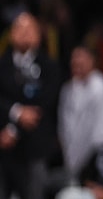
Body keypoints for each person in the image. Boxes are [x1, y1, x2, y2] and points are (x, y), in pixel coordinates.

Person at [0, 11, 62, 199]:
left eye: (30, 28)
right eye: (20, 28)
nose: (25, 33)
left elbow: (45, 103)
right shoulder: (1, 66)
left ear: (38, 35)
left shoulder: (50, 66)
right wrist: (15, 113)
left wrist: (14, 129)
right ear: (11, 34)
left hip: (34, 146)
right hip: (2, 145)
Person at [58, 46, 103, 186]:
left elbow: (94, 127)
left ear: (92, 61)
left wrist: (83, 160)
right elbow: (64, 124)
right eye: (74, 58)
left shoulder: (100, 86)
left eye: (81, 58)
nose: (76, 61)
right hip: (72, 154)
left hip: (98, 153)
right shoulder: (68, 89)